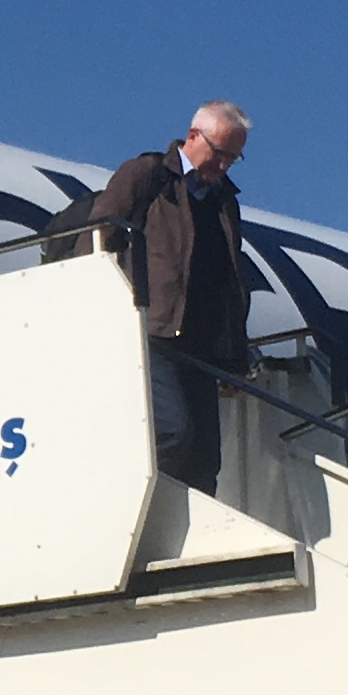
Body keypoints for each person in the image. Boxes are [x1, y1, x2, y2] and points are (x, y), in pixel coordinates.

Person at [86, 101, 251, 493]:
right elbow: (97, 238)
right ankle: (136, 507)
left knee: (205, 460)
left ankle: (183, 530)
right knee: (173, 431)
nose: (224, 165)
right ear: (193, 136)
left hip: (200, 343)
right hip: (153, 331)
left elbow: (229, 282)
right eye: (219, 153)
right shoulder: (148, 175)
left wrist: (235, 359)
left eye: (233, 158)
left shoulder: (224, 202)